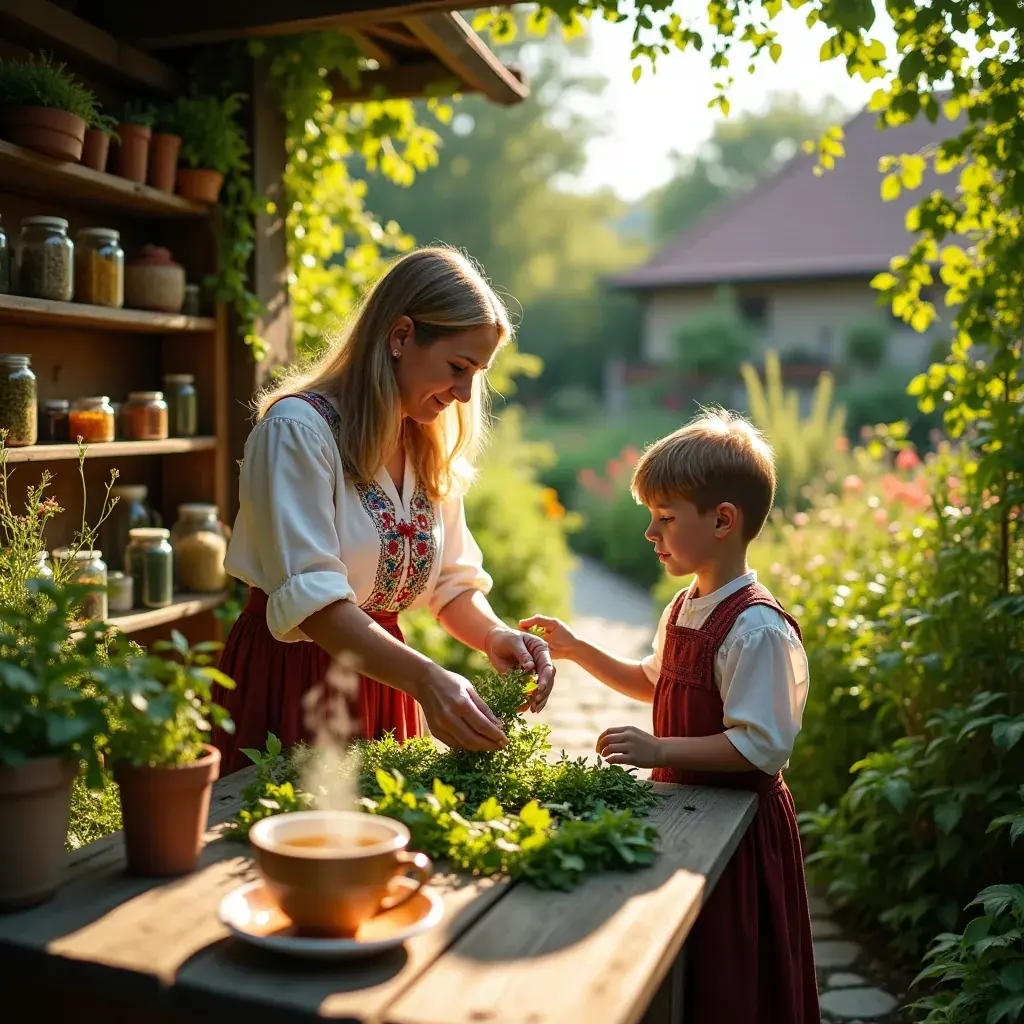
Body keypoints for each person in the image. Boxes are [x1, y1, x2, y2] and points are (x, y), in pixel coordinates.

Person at [521, 409, 818, 1024]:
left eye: (665, 518)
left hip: (739, 828)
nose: (650, 533)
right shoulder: (685, 606)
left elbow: (759, 748)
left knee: (734, 962)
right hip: (688, 814)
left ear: (723, 521)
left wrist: (660, 751)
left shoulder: (757, 630)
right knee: (689, 958)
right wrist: (578, 649)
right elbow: (651, 680)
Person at [214, 246, 555, 774]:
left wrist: (495, 635)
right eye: (458, 367)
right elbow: (314, 604)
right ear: (400, 336)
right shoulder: (296, 432)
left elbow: (452, 585)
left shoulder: (426, 443)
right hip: (295, 682)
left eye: (476, 373)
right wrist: (426, 679)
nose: (465, 393)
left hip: (388, 683)